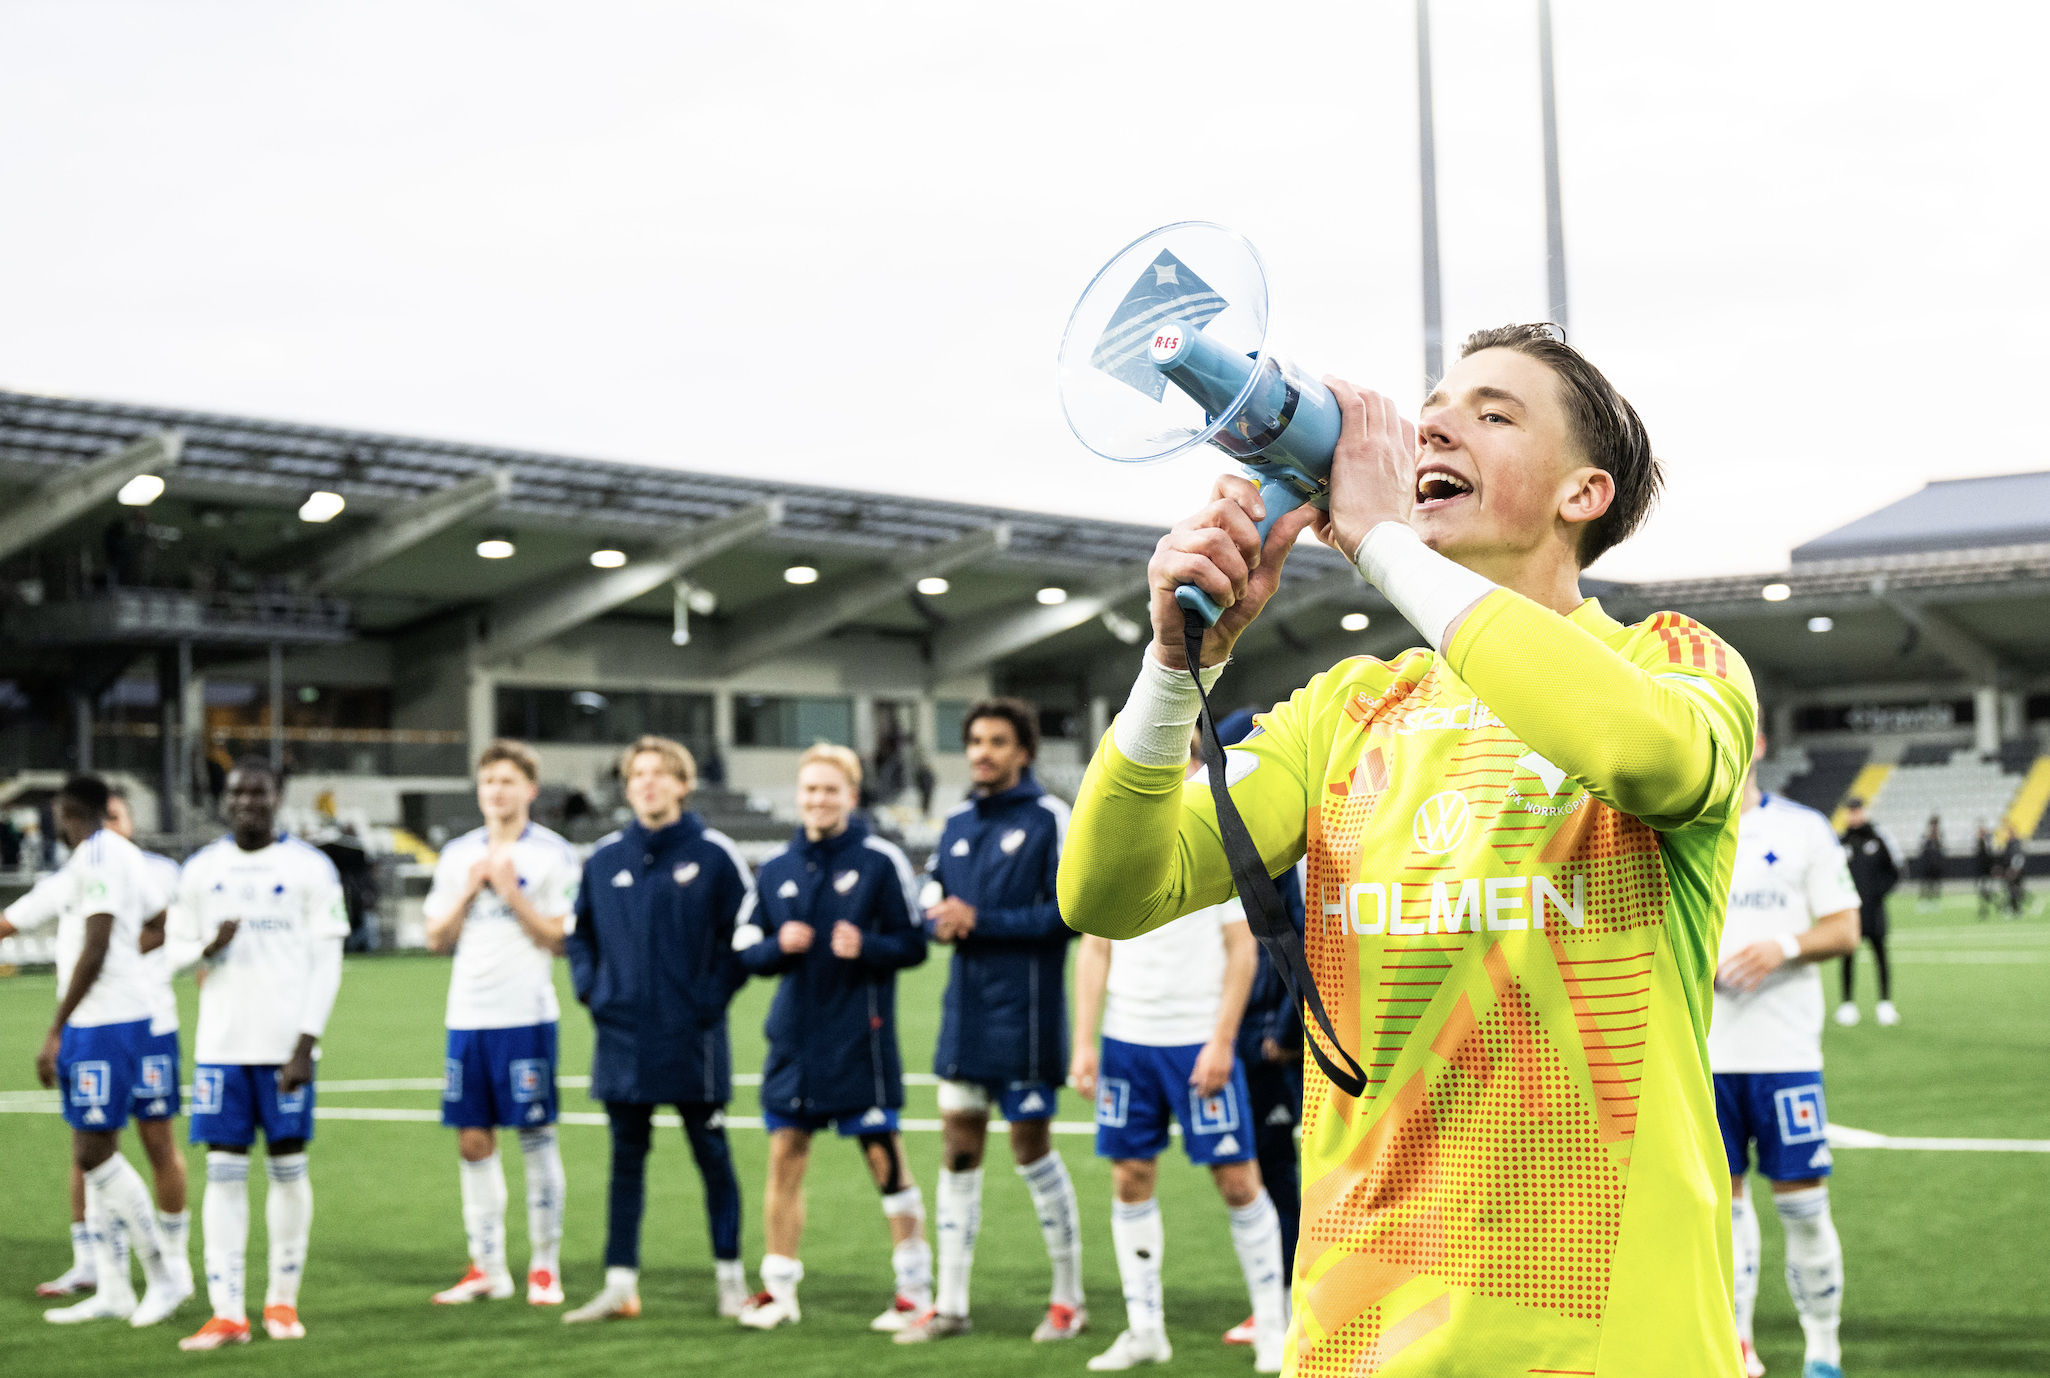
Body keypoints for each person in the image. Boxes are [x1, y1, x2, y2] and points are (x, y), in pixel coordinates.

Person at [1060, 324, 1761, 1374]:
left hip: (1615, 1339)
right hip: (1359, 1339)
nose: (1433, 421)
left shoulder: (1671, 662)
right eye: (1435, 404)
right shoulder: (1349, 710)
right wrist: (1172, 670)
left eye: (1493, 411)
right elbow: (1109, 890)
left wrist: (1382, 542)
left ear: (1583, 494)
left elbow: (1638, 753)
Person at [1070, 730, 1288, 1373]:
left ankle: (1273, 1326)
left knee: (1238, 1180)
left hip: (1196, 1041)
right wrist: (1085, 1041)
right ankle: (1145, 1330)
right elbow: (1096, 945)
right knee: (1130, 1177)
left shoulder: (1211, 818)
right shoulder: (1115, 820)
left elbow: (1241, 948)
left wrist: (1222, 1040)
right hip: (1126, 1042)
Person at [895, 697, 1086, 1345]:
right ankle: (949, 1305)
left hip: (1027, 1020)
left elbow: (1070, 915)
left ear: (1023, 752)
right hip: (965, 1017)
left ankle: (1067, 1298)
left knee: (1031, 1152)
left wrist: (980, 922)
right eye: (975, 740)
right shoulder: (955, 820)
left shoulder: (1050, 819)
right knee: (957, 1150)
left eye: (997, 741)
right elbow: (930, 885)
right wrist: (935, 913)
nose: (982, 751)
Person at [731, 744, 929, 1330]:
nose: (818, 799)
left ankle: (914, 1290)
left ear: (851, 795)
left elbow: (915, 943)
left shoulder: (879, 860)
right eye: (810, 789)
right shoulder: (776, 867)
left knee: (885, 1161)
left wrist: (866, 945)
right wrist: (776, 946)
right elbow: (746, 948)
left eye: (830, 789)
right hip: (793, 1042)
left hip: (858, 1042)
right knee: (784, 1159)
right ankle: (779, 1290)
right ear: (799, 795)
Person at [562, 735, 755, 1323]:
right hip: (621, 1036)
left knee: (712, 1158)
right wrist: (592, 989)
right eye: (636, 775)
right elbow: (579, 934)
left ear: (681, 784)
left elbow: (743, 942)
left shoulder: (716, 855)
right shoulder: (603, 858)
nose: (646, 783)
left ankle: (730, 1281)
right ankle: (620, 1285)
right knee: (625, 1162)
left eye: (658, 774)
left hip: (692, 1039)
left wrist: (708, 1001)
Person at [167, 757, 349, 1349]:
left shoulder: (310, 868)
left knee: (288, 1168)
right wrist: (205, 945)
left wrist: (305, 1044)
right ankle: (227, 1312)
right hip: (222, 1049)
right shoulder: (201, 870)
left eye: (259, 792)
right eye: (238, 793)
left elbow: (328, 962)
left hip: (285, 1051)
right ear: (225, 800)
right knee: (222, 1175)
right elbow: (169, 956)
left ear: (277, 798)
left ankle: (281, 1302)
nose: (248, 801)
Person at [0, 775, 188, 1327]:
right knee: (98, 1146)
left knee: (93, 1154)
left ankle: (162, 1274)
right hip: (125, 1017)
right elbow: (156, 922)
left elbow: (99, 943)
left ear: (64, 811)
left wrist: (56, 1028)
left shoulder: (102, 858)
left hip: (102, 1024)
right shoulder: (109, 857)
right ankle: (112, 1287)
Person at [1712, 732, 1862, 1378]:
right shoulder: (1676, 830)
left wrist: (1783, 947)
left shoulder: (1803, 831)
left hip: (1783, 1051)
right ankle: (1740, 1349)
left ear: (1758, 741)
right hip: (1704, 1054)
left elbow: (1845, 928)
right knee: (1727, 1210)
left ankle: (1823, 1350)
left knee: (1803, 1206)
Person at [423, 740, 581, 1307]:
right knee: (472, 1142)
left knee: (537, 1139)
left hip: (525, 1016)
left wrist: (511, 893)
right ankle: (487, 1266)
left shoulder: (554, 855)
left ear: (530, 791)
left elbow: (562, 940)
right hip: (467, 1017)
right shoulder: (457, 854)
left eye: (508, 781)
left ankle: (544, 1265)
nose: (497, 791)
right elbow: (436, 940)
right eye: (489, 781)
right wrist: (470, 887)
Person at [1212, 708, 1305, 1355]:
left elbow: (1298, 936)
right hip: (1238, 1031)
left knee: (1277, 1167)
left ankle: (1294, 1301)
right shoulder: (1241, 832)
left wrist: (1282, 1026)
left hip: (1272, 1037)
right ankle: (1279, 1299)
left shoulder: (1282, 836)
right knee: (1258, 1165)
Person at [1836, 796, 1901, 1028]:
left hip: (1874, 911)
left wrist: (1877, 894)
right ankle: (1847, 1004)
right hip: (1849, 913)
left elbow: (1895, 872)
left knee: (1881, 956)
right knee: (1847, 956)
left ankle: (1885, 1004)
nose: (1854, 815)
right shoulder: (1840, 842)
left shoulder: (1879, 839)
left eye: (1857, 810)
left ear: (1864, 812)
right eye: (1850, 811)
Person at [1916, 817, 1944, 907]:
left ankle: (1935, 894)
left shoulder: (1939, 835)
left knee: (1935, 880)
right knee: (1926, 879)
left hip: (1936, 861)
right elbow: (1922, 847)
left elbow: (1942, 848)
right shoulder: (1926, 835)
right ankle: (1924, 894)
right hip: (1928, 861)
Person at [1973, 824, 1999, 920]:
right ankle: (1984, 910)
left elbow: (1987, 859)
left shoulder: (1986, 844)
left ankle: (1996, 906)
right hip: (1982, 874)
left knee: (1986, 893)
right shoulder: (1981, 845)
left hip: (1986, 874)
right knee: (1983, 894)